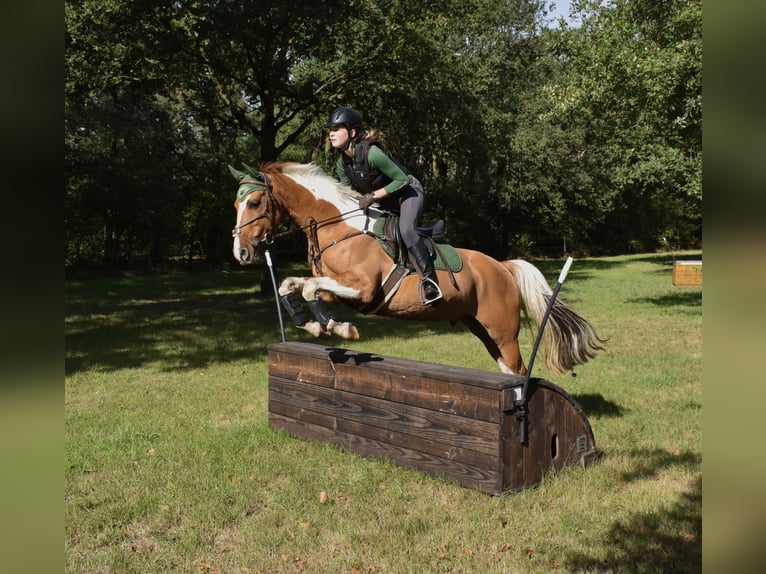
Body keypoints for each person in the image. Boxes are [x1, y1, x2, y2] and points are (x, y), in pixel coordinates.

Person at [325, 106, 442, 305]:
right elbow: (346, 193)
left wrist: (372, 196)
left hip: (408, 192)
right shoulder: (342, 164)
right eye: (330, 130)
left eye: (336, 129)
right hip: (385, 201)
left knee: (406, 230)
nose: (331, 133)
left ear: (352, 132)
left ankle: (430, 281)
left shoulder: (372, 153)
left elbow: (402, 179)